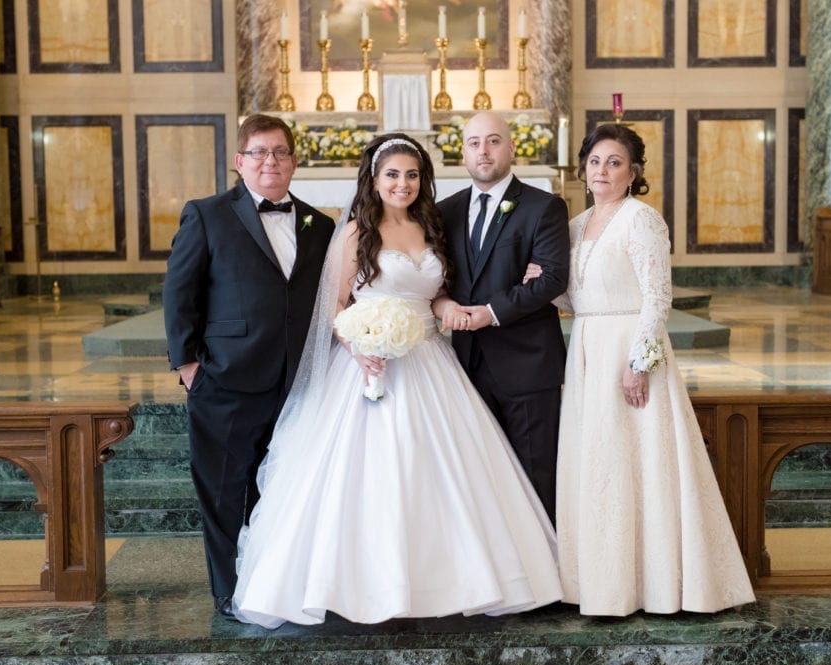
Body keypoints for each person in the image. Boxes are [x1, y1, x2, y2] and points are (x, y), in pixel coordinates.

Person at [232, 133, 562, 629]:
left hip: (429, 361)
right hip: (367, 367)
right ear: (374, 179)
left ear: (421, 181)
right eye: (392, 175)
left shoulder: (432, 230)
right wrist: (359, 346)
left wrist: (454, 311)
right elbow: (335, 308)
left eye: (411, 175)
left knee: (447, 475)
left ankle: (454, 582)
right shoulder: (354, 235)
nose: (402, 184)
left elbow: (437, 297)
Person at [555, 124, 755, 615]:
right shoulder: (577, 226)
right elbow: (577, 293)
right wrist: (541, 282)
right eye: (596, 161)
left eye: (615, 162)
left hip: (628, 349)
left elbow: (657, 297)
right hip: (587, 346)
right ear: (583, 167)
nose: (602, 171)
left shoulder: (642, 219)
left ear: (633, 172)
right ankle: (600, 582)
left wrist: (639, 363)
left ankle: (655, 584)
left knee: (638, 462)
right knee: (599, 463)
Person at [162, 114, 337, 620]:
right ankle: (228, 592)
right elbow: (179, 294)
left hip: (297, 384)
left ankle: (271, 587)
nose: (271, 162)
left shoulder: (319, 225)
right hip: (226, 380)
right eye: (259, 152)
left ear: (294, 161)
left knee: (279, 492)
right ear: (240, 162)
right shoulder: (207, 215)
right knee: (223, 493)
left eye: (280, 152)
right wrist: (190, 366)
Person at [434, 112, 570, 524]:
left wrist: (490, 313)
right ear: (463, 153)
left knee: (535, 473)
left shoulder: (543, 207)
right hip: (466, 367)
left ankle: (547, 581)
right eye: (474, 143)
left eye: (493, 141)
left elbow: (551, 278)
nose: (484, 151)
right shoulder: (446, 211)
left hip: (527, 365)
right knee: (481, 477)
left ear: (511, 148)